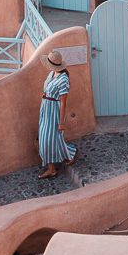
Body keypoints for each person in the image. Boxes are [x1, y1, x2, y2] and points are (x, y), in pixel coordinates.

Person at [38, 49, 77, 178]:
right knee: (53, 138)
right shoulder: (52, 74)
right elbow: (48, 88)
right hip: (46, 108)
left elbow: (63, 103)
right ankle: (68, 155)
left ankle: (52, 169)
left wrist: (61, 122)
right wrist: (45, 94)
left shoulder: (63, 80)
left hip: (54, 111)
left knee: (46, 139)